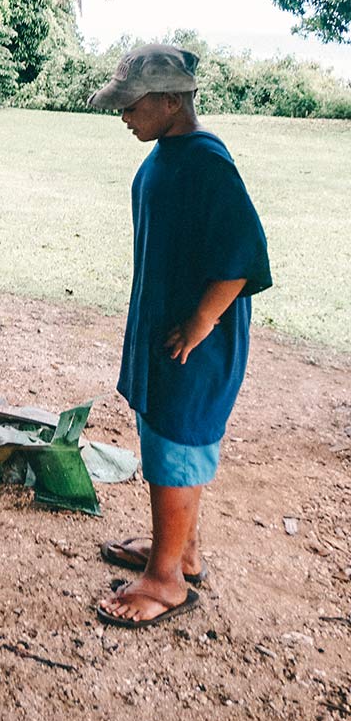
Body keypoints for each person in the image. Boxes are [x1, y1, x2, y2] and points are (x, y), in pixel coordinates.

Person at [87, 45, 271, 628]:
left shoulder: (206, 163)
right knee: (167, 438)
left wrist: (199, 322)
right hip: (166, 332)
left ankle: (165, 581)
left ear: (170, 101)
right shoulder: (170, 152)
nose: (123, 115)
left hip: (195, 341)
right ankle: (182, 552)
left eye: (131, 104)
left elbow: (243, 255)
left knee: (176, 446)